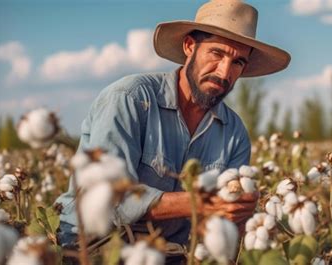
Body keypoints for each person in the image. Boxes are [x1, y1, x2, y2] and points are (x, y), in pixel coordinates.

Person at [55, 0, 290, 256]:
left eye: (238, 63)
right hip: (92, 242)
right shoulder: (130, 99)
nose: (224, 73)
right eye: (217, 54)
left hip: (167, 252)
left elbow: (216, 226)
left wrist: (239, 214)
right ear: (190, 46)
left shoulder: (234, 133)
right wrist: (200, 202)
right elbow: (105, 197)